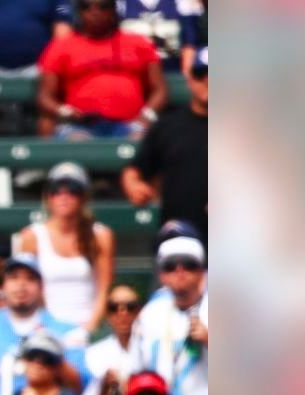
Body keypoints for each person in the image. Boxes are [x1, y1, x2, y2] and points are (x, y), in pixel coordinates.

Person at [0, 253, 87, 395]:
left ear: (41, 286)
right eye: (14, 277)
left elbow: (79, 387)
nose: (21, 285)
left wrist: (50, 349)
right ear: (4, 285)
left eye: (30, 278)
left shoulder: (67, 331)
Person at [37, 0, 162, 139]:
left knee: (140, 139)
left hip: (130, 123)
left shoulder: (140, 43)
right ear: (79, 12)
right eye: (86, 7)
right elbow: (45, 96)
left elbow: (159, 90)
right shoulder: (60, 47)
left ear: (114, 10)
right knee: (77, 141)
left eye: (104, 6)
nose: (95, 12)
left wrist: (146, 116)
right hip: (79, 124)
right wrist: (65, 112)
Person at [13, 163, 114, 332]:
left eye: (73, 190)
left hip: (89, 327)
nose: (64, 196)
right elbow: (29, 288)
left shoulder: (101, 235)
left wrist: (89, 328)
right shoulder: (32, 236)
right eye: (56, 190)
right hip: (45, 328)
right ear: (48, 197)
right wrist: (49, 329)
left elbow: (104, 288)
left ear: (84, 196)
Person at [129, 233, 207, 395]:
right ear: (162, 276)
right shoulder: (150, 314)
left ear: (202, 273)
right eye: (171, 266)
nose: (179, 271)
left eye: (189, 264)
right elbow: (134, 370)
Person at [120, 46, 205, 231]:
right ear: (190, 80)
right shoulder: (168, 126)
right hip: (178, 235)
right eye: (200, 75)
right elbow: (134, 171)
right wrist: (133, 185)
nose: (208, 82)